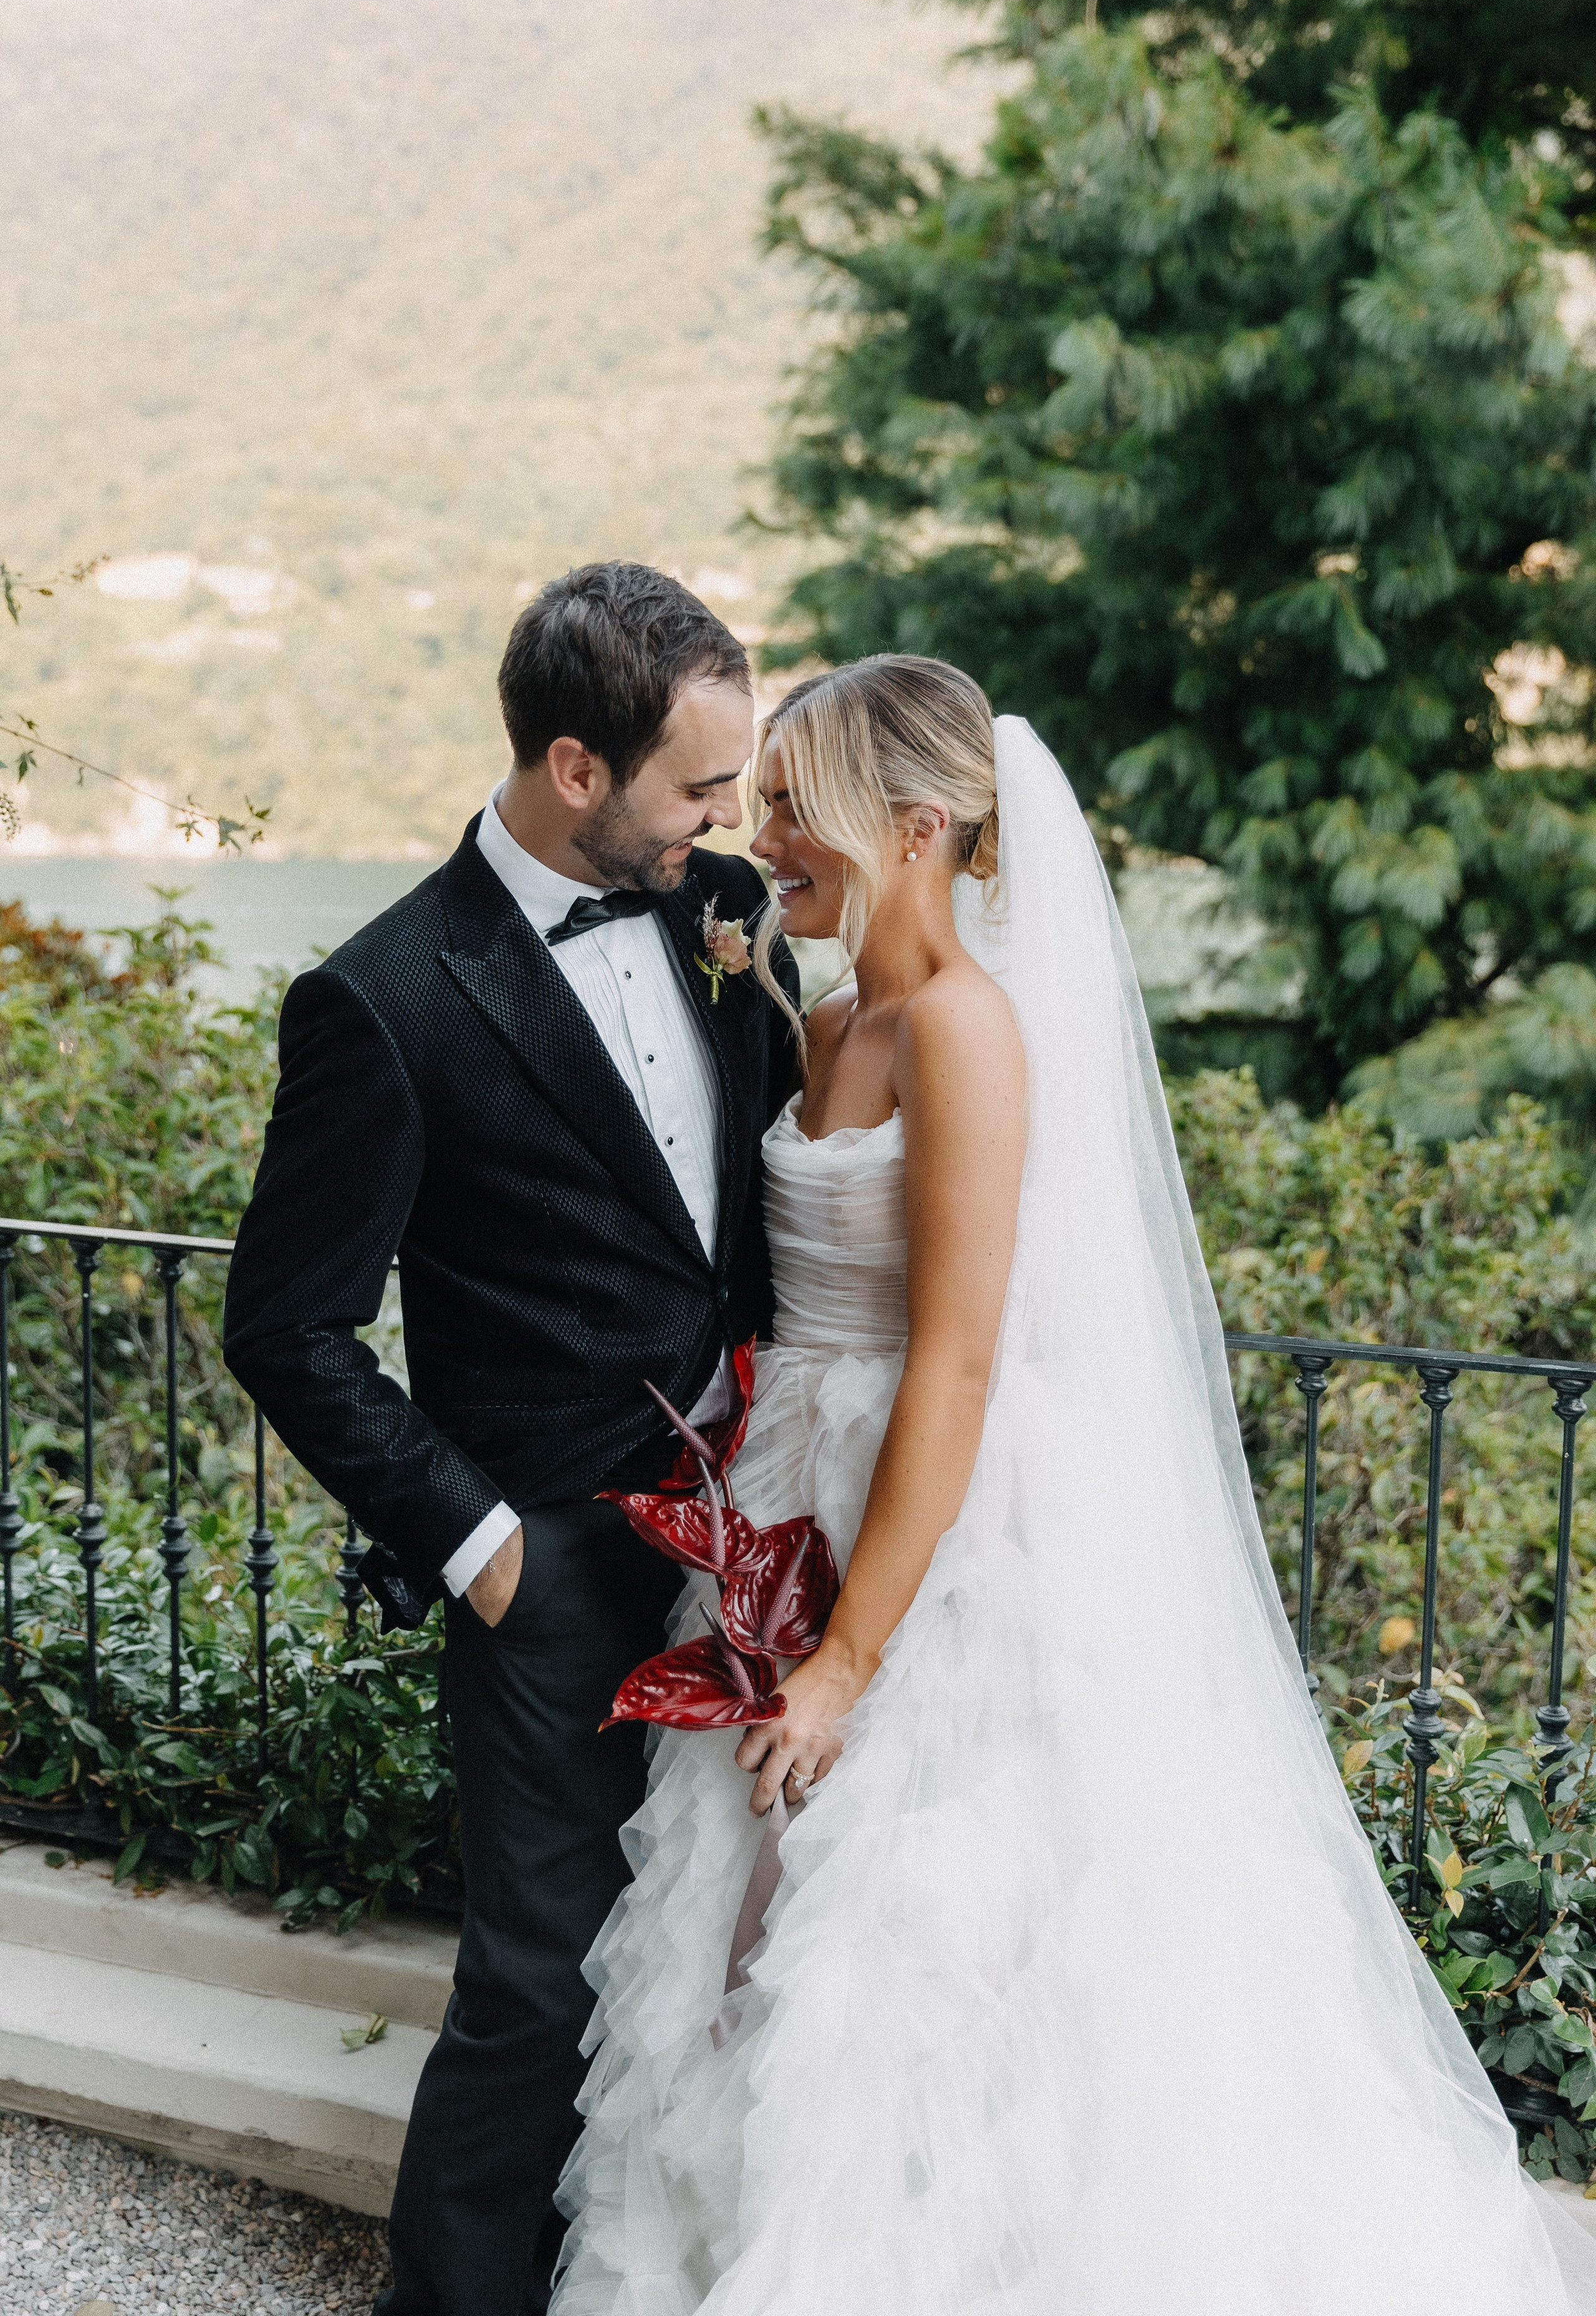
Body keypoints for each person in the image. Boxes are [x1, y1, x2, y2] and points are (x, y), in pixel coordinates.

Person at [549, 654, 1596, 2314]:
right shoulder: (825, 1021)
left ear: (912, 827)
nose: (766, 841)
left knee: (933, 1947)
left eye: (793, 810)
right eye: (756, 809)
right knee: (751, 1937)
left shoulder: (969, 1032)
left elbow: (954, 1363)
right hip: (788, 1489)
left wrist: (841, 1662)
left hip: (942, 1533)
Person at [221, 561, 800, 2316]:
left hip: (763, 1533)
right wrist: (486, 1552)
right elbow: (284, 1326)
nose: (728, 817)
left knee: (717, 1953)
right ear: (573, 767)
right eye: (698, 785)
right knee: (539, 1984)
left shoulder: (732, 910)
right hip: (548, 1567)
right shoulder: (386, 1001)